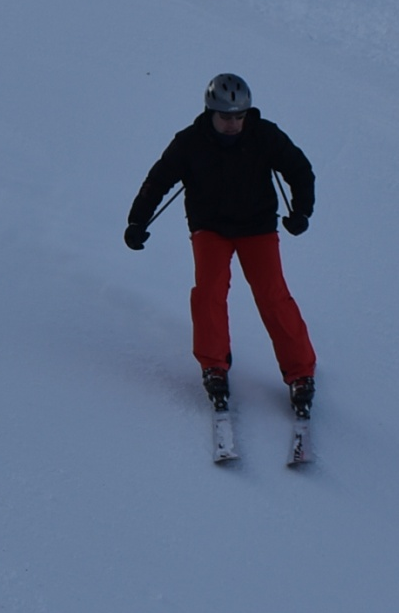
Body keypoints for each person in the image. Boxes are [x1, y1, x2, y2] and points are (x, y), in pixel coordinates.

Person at [125, 73, 316, 418]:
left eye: (239, 116)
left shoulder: (264, 135)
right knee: (209, 292)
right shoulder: (189, 142)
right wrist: (138, 221)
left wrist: (301, 211)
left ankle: (300, 372)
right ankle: (214, 365)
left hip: (257, 227)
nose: (233, 124)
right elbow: (158, 181)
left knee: (273, 295)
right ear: (210, 112)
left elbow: (300, 170)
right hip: (210, 227)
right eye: (226, 117)